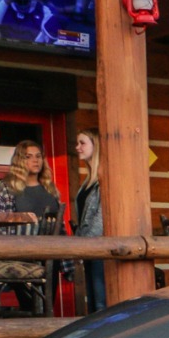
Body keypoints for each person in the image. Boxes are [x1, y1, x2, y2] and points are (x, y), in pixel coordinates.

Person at [73, 128, 106, 312]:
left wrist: (87, 245)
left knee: (101, 303)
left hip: (99, 249)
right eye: (77, 143)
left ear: (96, 144)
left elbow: (101, 218)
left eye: (82, 143)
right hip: (88, 249)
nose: (78, 147)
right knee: (93, 303)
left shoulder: (103, 180)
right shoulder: (87, 182)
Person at [0, 139, 62, 230]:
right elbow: (0, 225)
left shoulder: (49, 187)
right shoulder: (8, 188)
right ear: (19, 161)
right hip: (21, 242)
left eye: (38, 156)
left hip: (53, 242)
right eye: (28, 157)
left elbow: (60, 224)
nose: (35, 160)